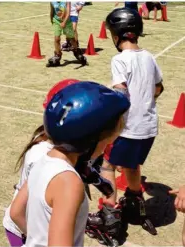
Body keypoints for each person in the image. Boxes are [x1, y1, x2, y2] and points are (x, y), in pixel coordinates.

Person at [10, 81, 130, 247]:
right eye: (107, 142)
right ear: (90, 140)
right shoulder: (69, 182)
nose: (105, 149)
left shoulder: (44, 159)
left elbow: (16, 212)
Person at [102, 7, 164, 223]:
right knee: (131, 164)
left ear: (116, 35)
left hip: (128, 128)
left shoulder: (120, 59)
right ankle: (136, 203)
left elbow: (120, 93)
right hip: (148, 128)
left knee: (106, 165)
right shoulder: (149, 57)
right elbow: (158, 88)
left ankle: (109, 213)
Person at [3, 79, 80, 247]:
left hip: (35, 220)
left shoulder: (56, 149)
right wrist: (37, 238)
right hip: (23, 227)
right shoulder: (44, 156)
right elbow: (17, 213)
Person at [47, 2, 87, 67]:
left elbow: (68, 13)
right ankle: (57, 55)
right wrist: (51, 19)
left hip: (67, 22)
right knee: (57, 39)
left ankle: (77, 51)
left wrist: (64, 22)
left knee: (72, 39)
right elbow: (52, 11)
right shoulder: (52, 2)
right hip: (56, 21)